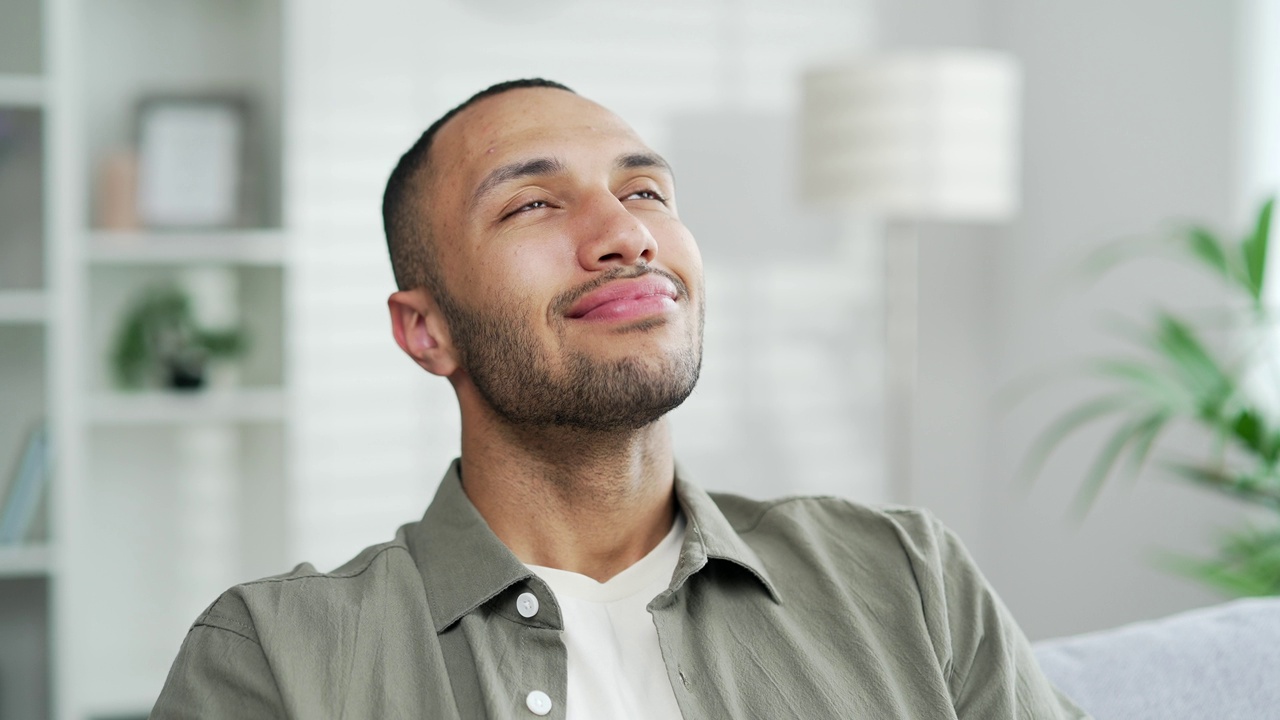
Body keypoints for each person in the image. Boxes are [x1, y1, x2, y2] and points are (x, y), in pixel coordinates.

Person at [152, 78, 1088, 719]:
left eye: (646, 190)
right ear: (425, 330)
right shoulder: (276, 656)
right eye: (532, 205)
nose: (625, 234)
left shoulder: (906, 578)